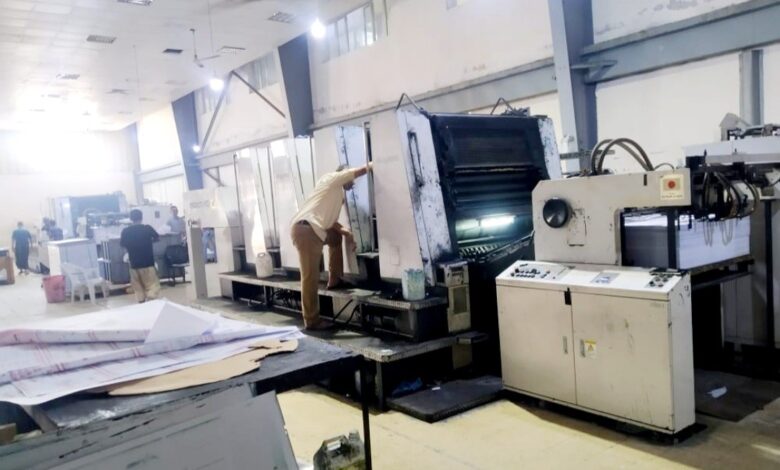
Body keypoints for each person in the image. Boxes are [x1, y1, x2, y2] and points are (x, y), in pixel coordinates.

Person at [290, 163, 372, 330]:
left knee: (335, 237)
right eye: (351, 180)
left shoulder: (335, 193)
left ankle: (335, 279)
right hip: (307, 230)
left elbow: (331, 222)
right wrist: (371, 165)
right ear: (343, 174)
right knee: (310, 277)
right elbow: (355, 172)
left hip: (314, 229)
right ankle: (311, 320)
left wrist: (346, 232)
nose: (353, 184)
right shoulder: (331, 178)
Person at [120, 209, 161, 303]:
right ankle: (151, 304)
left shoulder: (126, 231)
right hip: (148, 263)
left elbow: (122, 244)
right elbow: (157, 238)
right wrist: (148, 242)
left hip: (134, 264)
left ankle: (142, 304)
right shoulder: (147, 228)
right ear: (141, 217)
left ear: (131, 218)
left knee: (138, 288)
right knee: (152, 286)